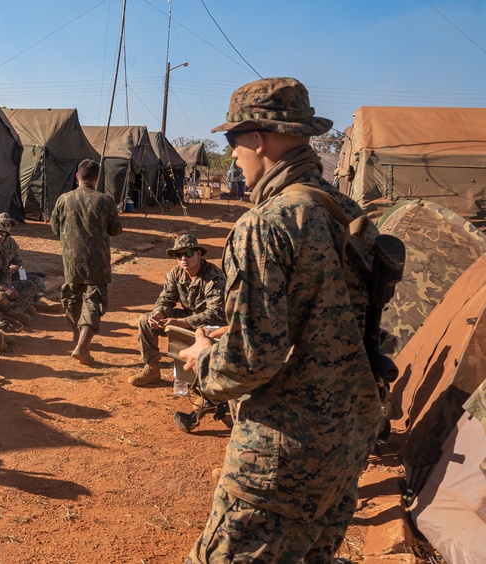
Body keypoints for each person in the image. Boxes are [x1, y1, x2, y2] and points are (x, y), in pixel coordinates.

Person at [178, 77, 382, 562]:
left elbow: (251, 359)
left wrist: (204, 362)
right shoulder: (346, 211)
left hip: (283, 455)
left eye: (232, 142)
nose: (231, 156)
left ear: (258, 138)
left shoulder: (268, 223)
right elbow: (329, 318)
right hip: (348, 437)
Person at [51, 159, 122, 365]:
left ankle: (77, 336)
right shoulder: (105, 200)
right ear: (96, 179)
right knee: (94, 300)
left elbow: (55, 228)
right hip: (97, 262)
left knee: (72, 297)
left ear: (77, 177)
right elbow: (115, 230)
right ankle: (82, 345)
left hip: (71, 260)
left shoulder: (64, 199)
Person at [129, 235, 225, 386]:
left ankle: (205, 384)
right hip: (189, 317)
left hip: (212, 323)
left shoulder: (213, 276)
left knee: (210, 336)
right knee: (145, 321)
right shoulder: (175, 274)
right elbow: (166, 298)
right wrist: (158, 313)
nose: (183, 259)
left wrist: (182, 322)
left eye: (188, 254)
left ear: (198, 253)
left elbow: (216, 313)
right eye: (178, 255)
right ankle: (151, 369)